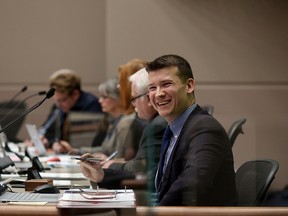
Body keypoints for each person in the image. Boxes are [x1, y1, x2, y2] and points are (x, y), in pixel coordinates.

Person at [79, 54, 237, 206]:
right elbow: (156, 177)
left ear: (189, 86)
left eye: (167, 84)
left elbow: (192, 182)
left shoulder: (204, 128)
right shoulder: (175, 128)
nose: (159, 94)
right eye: (152, 88)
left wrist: (158, 210)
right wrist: (103, 175)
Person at [53, 78, 138, 161]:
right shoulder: (114, 121)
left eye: (105, 97)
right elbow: (105, 149)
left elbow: (121, 158)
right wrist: (74, 150)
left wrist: (106, 160)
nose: (100, 101)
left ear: (118, 99)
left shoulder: (125, 123)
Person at [39, 69, 102, 148]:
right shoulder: (59, 107)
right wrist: (47, 141)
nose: (59, 105)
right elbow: (49, 132)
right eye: (56, 101)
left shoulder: (92, 106)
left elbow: (85, 142)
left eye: (63, 100)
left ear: (75, 94)